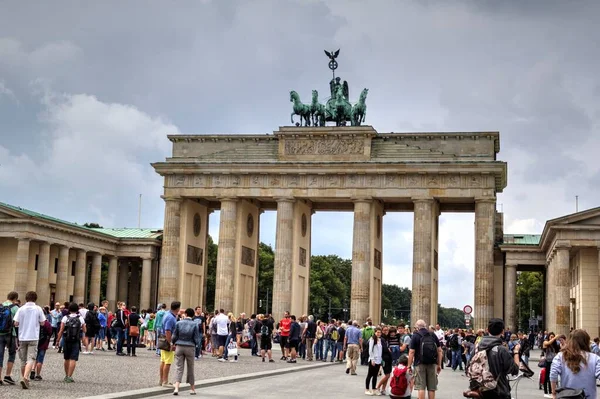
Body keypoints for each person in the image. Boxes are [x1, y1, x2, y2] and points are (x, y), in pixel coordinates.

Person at [467, 318, 520, 399]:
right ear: (502, 331)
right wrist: (516, 352)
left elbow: (468, 367)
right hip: (498, 391)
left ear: (487, 330)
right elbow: (515, 370)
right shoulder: (501, 350)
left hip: (479, 391)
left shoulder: (476, 348)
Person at [550, 329, 600, 399]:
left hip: (567, 396)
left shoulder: (560, 356)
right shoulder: (595, 358)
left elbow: (553, 374)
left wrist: (554, 393)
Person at [12, 291, 45, 389]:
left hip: (22, 337)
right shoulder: (38, 309)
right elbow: (43, 323)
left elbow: (16, 323)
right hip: (34, 336)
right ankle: (26, 377)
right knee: (31, 358)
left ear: (26, 298)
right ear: (35, 298)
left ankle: (24, 378)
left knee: (23, 360)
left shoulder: (21, 309)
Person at [407, 320, 442, 399]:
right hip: (432, 363)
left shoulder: (415, 336)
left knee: (421, 387)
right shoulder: (433, 335)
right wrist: (439, 364)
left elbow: (411, 352)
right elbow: (439, 350)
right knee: (431, 388)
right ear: (425, 326)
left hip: (419, 363)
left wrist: (409, 366)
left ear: (417, 327)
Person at [172, 308, 200, 395]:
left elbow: (174, 336)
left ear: (186, 314)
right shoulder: (195, 324)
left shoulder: (179, 323)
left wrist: (173, 343)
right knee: (190, 368)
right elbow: (196, 338)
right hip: (190, 346)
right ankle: (192, 389)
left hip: (179, 346)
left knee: (179, 367)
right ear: (193, 315)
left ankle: (176, 388)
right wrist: (196, 345)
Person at [56, 302, 87, 383]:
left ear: (69, 309)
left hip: (66, 339)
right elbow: (84, 330)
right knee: (73, 358)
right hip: (76, 340)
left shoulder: (65, 318)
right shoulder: (80, 318)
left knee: (66, 358)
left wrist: (57, 340)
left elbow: (61, 330)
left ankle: (66, 375)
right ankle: (70, 376)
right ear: (77, 309)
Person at [159, 301, 179, 387]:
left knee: (163, 361)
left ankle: (162, 380)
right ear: (177, 308)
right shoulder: (171, 317)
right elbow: (168, 330)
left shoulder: (167, 314)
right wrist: (171, 343)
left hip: (162, 339)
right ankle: (165, 381)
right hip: (168, 340)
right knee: (168, 362)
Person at [543, 332, 564, 398]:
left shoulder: (555, 344)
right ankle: (546, 391)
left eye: (553, 337)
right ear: (548, 337)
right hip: (548, 361)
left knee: (552, 377)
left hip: (553, 361)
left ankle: (551, 391)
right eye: (551, 337)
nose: (552, 338)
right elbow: (547, 343)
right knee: (547, 376)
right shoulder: (545, 342)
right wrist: (555, 338)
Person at [365, 327, 383, 396]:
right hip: (373, 360)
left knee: (375, 375)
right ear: (375, 332)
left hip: (378, 360)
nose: (379, 334)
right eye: (377, 332)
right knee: (370, 375)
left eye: (380, 332)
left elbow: (380, 351)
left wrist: (380, 359)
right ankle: (366, 389)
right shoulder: (372, 339)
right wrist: (372, 359)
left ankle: (374, 389)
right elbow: (370, 350)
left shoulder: (380, 340)